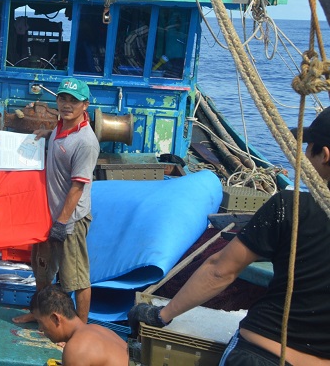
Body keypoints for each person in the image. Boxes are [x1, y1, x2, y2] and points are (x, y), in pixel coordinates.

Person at [128, 109, 330, 366]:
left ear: (325, 155)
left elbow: (220, 271)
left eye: (309, 148)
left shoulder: (290, 206)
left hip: (262, 353)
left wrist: (162, 315)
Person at [14, 77, 99, 324]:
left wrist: (61, 223)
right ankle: (39, 312)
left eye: (74, 101)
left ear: (85, 105)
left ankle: (81, 329)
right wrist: (47, 133)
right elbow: (62, 140)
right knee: (42, 269)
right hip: (48, 215)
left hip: (70, 219)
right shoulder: (61, 127)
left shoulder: (86, 142)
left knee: (76, 278)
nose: (67, 104)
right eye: (63, 98)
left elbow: (77, 187)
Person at [31, 285, 128, 366]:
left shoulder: (75, 350)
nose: (40, 329)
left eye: (40, 322)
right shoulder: (98, 329)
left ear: (56, 318)